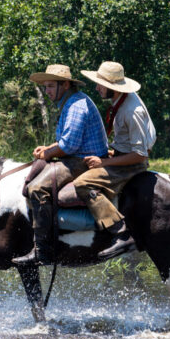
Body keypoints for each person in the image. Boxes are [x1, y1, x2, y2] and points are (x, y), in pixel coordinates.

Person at [13, 64, 109, 266]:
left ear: (64, 85)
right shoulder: (72, 102)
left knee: (37, 188)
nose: (47, 91)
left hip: (82, 161)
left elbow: (69, 145)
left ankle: (42, 251)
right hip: (77, 156)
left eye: (50, 86)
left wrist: (47, 153)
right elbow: (67, 141)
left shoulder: (76, 106)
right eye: (45, 86)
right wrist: (48, 148)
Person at [75, 61, 156, 260]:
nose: (97, 88)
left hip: (133, 165)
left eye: (101, 85)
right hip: (122, 155)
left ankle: (121, 232)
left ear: (114, 87)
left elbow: (140, 154)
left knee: (83, 183)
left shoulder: (131, 111)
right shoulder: (123, 100)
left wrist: (104, 163)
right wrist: (112, 153)